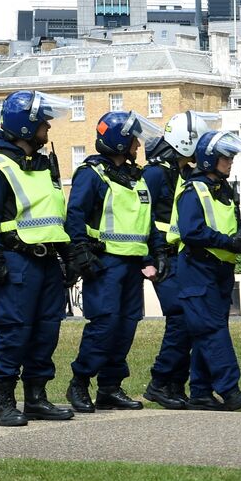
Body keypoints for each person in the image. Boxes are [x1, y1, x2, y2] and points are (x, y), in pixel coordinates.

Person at [0, 90, 78, 427]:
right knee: (14, 332)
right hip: (15, 260)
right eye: (43, 123)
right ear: (26, 127)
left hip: (47, 263)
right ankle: (5, 403)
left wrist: (69, 255)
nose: (48, 128)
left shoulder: (43, 165)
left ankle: (36, 398)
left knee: (46, 331)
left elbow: (54, 215)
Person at [63, 110, 164, 413]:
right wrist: (80, 252)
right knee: (104, 326)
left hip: (132, 266)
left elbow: (149, 222)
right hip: (104, 263)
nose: (138, 144)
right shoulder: (92, 174)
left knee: (126, 326)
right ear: (119, 143)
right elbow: (75, 217)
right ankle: (80, 382)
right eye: (133, 139)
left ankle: (109, 387)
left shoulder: (137, 178)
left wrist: (157, 252)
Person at [172, 131, 241, 410]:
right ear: (210, 158)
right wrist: (228, 242)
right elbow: (191, 231)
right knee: (212, 330)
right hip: (198, 268)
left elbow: (235, 224)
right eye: (225, 157)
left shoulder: (224, 191)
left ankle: (200, 392)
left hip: (221, 270)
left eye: (231, 157)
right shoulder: (193, 190)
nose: (230, 162)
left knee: (206, 332)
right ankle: (229, 389)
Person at [141, 111, 219, 410]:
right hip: (162, 259)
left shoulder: (183, 173)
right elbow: (142, 218)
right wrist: (149, 257)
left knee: (188, 320)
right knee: (180, 319)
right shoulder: (156, 174)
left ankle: (174, 383)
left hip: (179, 257)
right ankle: (160, 382)